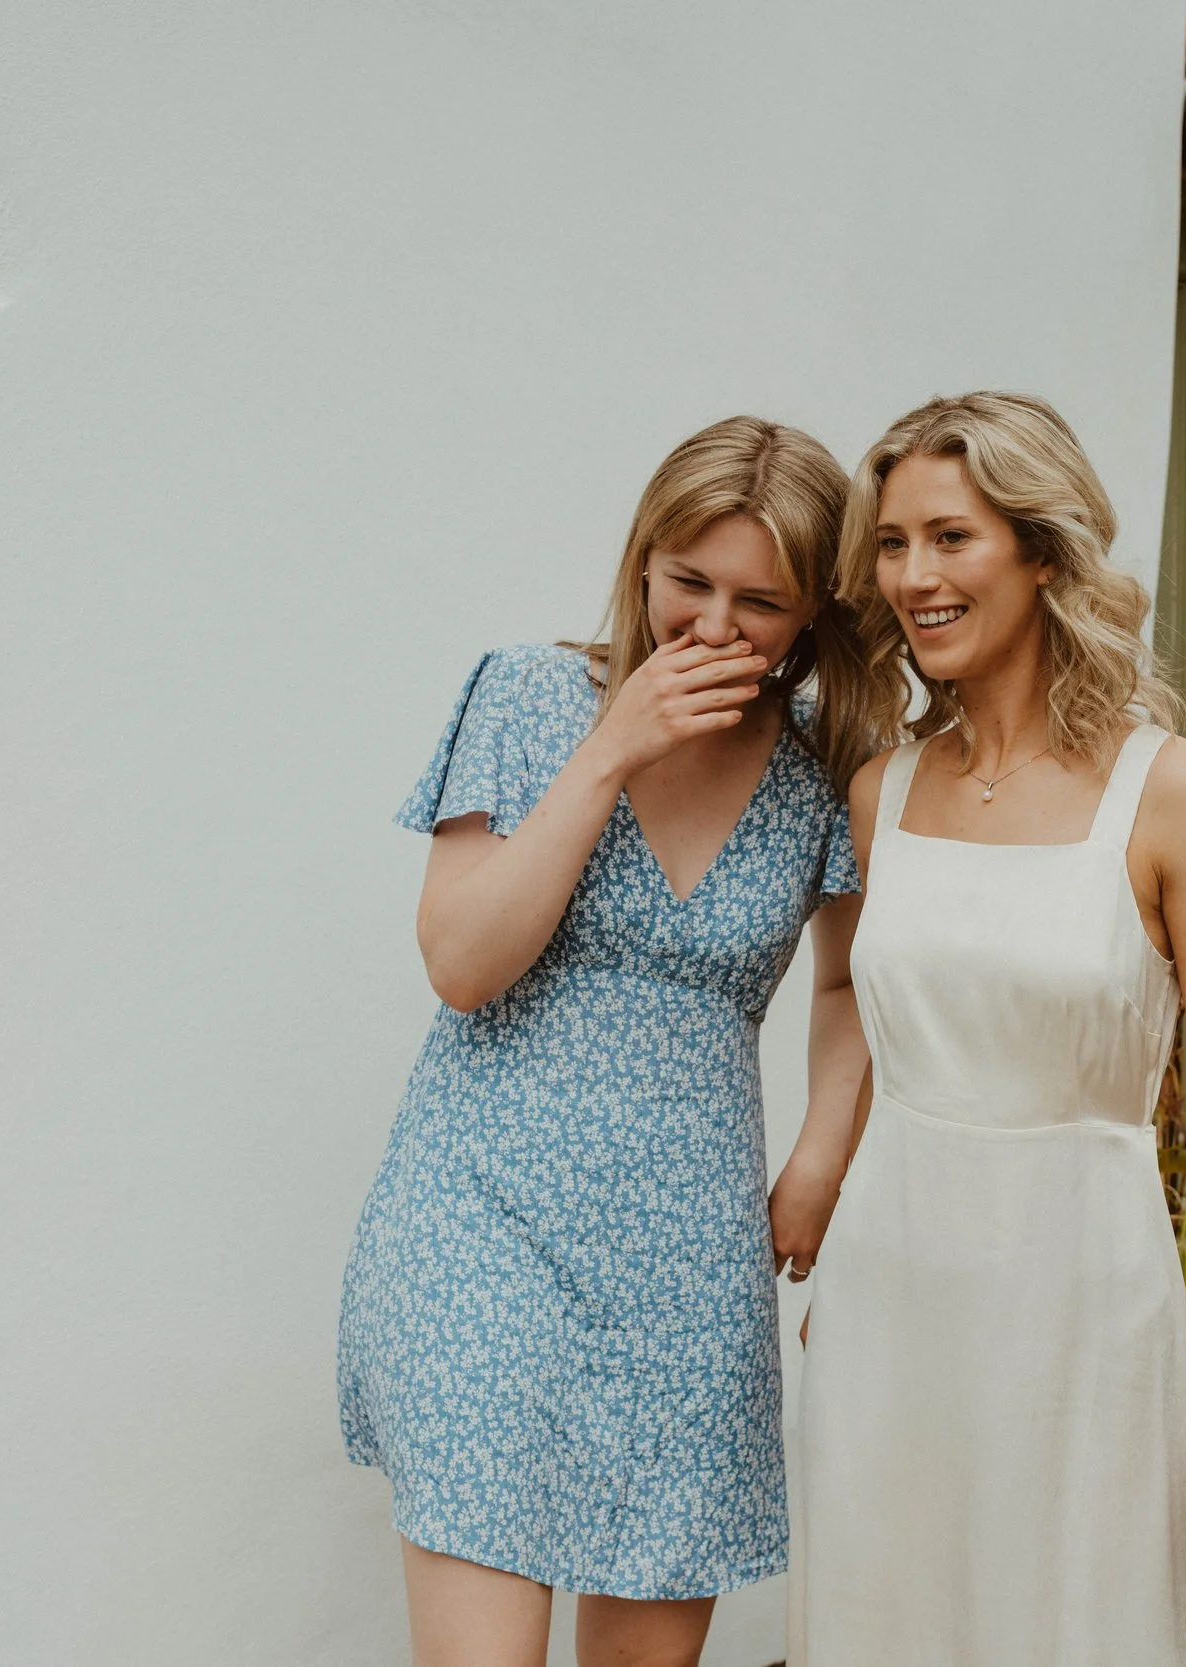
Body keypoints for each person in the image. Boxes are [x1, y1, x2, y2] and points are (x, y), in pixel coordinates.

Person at [774, 393, 1186, 1666]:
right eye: (892, 544)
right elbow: (852, 992)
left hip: (1082, 1305)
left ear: (1044, 552)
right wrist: (819, 1163)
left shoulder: (1170, 793)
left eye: (950, 537)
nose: (912, 575)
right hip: (887, 1299)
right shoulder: (879, 789)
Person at [338, 415, 879, 1667]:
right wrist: (614, 749)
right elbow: (462, 965)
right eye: (688, 581)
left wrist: (818, 1159)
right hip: (480, 1228)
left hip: (687, 1259)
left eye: (761, 601)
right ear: (643, 560)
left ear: (811, 619)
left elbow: (850, 983)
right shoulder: (527, 695)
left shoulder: (821, 777)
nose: (713, 624)